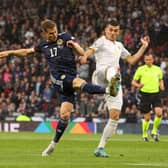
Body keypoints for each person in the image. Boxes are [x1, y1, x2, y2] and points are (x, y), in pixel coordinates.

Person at [0, 19, 115, 156]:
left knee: (65, 115)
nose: (54, 35)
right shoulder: (43, 45)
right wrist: (9, 52)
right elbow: (26, 52)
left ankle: (52, 145)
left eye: (55, 32)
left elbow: (82, 52)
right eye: (50, 33)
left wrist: (74, 46)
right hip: (58, 78)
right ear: (44, 33)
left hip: (70, 77)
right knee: (78, 83)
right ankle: (109, 90)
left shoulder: (65, 36)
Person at [80, 19, 150, 157]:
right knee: (113, 70)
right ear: (105, 30)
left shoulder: (119, 45)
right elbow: (90, 50)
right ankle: (113, 84)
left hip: (113, 81)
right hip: (100, 76)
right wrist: (84, 57)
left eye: (116, 30)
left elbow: (131, 60)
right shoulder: (101, 41)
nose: (113, 32)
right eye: (110, 30)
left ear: (119, 32)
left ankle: (100, 148)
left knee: (115, 116)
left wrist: (144, 46)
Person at [132, 54, 164, 142]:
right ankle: (144, 134)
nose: (148, 61)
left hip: (156, 93)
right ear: (144, 60)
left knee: (159, 113)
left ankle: (154, 131)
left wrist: (162, 85)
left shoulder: (158, 69)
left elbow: (160, 79)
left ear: (153, 60)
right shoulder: (140, 69)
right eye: (146, 60)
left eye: (150, 59)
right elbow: (133, 82)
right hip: (145, 94)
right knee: (147, 118)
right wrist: (138, 85)